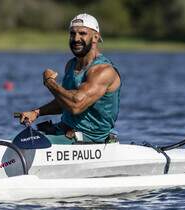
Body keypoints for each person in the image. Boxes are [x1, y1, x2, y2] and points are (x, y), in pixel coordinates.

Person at [19, 13, 121, 144]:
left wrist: (49, 82)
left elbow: (76, 105)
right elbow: (65, 101)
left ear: (95, 37)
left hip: (89, 140)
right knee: (15, 138)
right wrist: (36, 112)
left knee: (25, 143)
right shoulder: (71, 65)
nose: (76, 38)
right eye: (72, 34)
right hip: (63, 132)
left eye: (82, 33)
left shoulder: (103, 71)